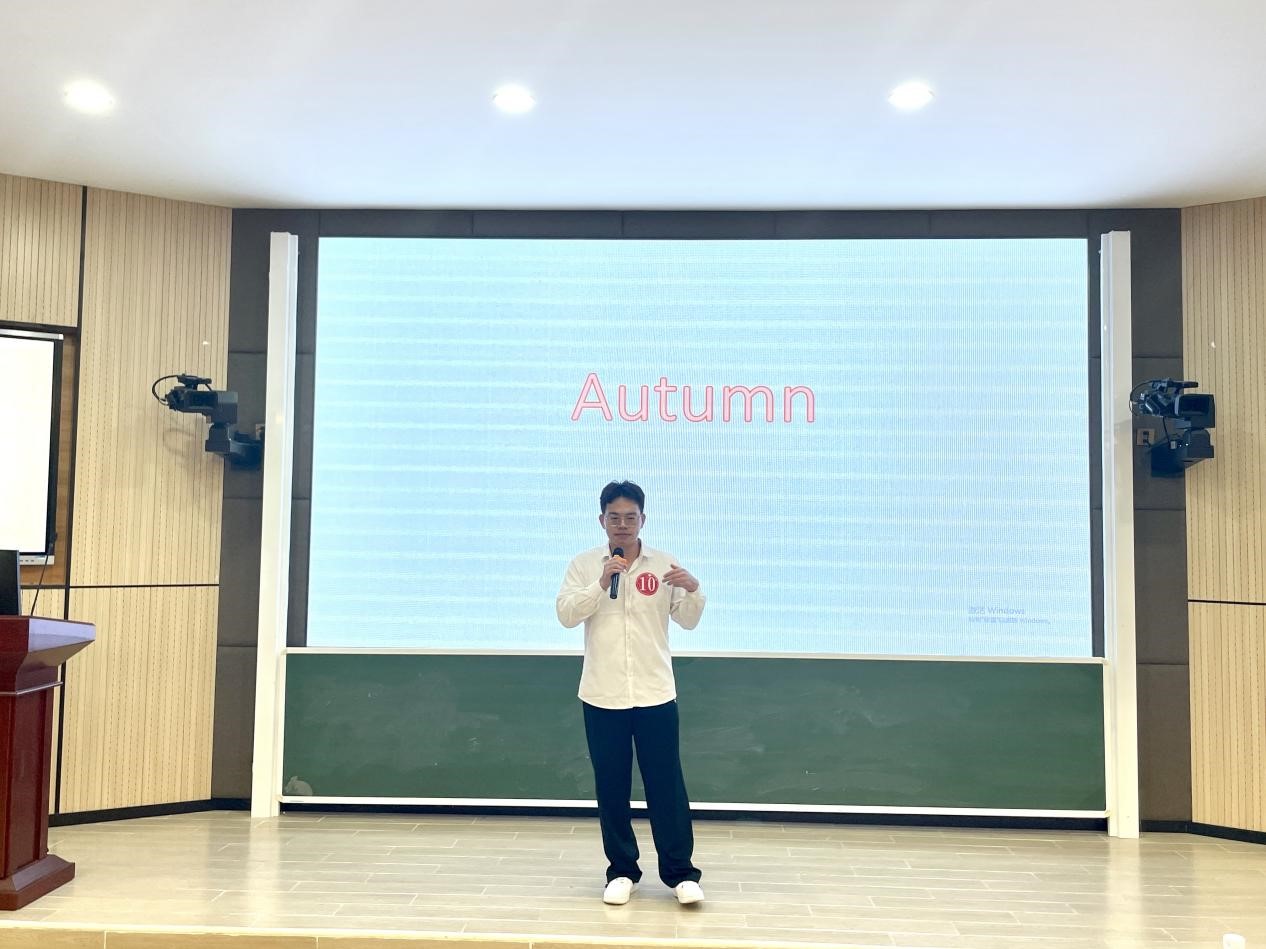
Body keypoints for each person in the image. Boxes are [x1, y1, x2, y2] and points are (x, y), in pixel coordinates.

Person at [556, 480, 707, 906]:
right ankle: (622, 871)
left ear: (643, 519)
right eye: (614, 517)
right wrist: (600, 582)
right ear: (601, 520)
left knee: (666, 786)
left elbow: (688, 620)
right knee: (611, 786)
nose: (622, 525)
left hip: (655, 692)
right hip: (603, 694)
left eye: (630, 517)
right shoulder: (584, 565)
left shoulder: (664, 564)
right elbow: (566, 614)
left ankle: (681, 874)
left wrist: (693, 588)